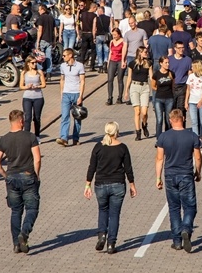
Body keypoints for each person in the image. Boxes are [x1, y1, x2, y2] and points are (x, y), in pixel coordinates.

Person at [0, 109, 41, 254]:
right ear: (21, 121)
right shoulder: (30, 137)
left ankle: (16, 244)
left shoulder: (4, 139)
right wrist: (36, 175)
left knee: (15, 211)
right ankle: (24, 233)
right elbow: (37, 159)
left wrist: (5, 175)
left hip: (12, 178)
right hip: (28, 177)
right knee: (32, 209)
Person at [84, 122, 136, 255]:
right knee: (114, 214)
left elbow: (92, 167)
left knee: (102, 210)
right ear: (117, 132)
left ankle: (102, 235)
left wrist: (87, 184)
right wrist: (132, 184)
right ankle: (111, 243)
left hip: (100, 185)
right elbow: (128, 168)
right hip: (118, 185)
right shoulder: (122, 148)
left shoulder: (98, 147)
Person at [155, 109, 202, 253]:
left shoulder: (163, 137)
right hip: (186, 175)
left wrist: (158, 177)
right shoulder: (192, 136)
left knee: (174, 208)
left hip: (170, 176)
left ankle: (176, 241)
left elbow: (159, 158)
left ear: (170, 120)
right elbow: (198, 157)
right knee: (190, 206)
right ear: (183, 119)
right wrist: (198, 172)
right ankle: (186, 228)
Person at [123, 47, 153, 141]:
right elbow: (129, 77)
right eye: (144, 52)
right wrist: (126, 90)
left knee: (144, 112)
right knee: (137, 111)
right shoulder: (132, 64)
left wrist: (155, 86)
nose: (146, 53)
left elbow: (151, 77)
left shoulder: (148, 63)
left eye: (146, 52)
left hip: (145, 87)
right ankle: (138, 132)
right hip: (134, 86)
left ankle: (144, 124)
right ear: (139, 53)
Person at [57, 49, 86, 146]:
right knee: (65, 116)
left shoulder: (79, 66)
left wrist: (81, 96)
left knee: (78, 117)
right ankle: (64, 138)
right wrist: (61, 93)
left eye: (64, 55)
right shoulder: (63, 66)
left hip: (76, 93)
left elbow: (82, 81)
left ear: (70, 55)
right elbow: (62, 80)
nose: (63, 57)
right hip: (66, 93)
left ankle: (75, 138)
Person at [20, 55, 46, 139]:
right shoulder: (24, 73)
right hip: (27, 97)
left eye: (36, 62)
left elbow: (44, 84)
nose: (35, 64)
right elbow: (21, 86)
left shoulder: (39, 72)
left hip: (38, 97)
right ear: (28, 64)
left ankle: (37, 135)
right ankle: (26, 136)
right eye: (33, 63)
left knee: (37, 118)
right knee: (27, 117)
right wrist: (27, 87)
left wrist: (37, 86)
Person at [185, 60, 202, 141]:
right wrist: (186, 101)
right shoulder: (191, 76)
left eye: (193, 67)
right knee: (194, 121)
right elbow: (188, 89)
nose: (191, 68)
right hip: (192, 101)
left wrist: (201, 101)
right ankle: (196, 138)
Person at [151, 56, 176, 136]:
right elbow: (153, 86)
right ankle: (159, 138)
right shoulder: (156, 74)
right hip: (159, 99)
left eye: (168, 62)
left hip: (169, 99)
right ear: (161, 63)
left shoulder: (171, 73)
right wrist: (159, 90)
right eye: (166, 63)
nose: (168, 64)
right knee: (159, 119)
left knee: (168, 120)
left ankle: (168, 136)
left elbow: (173, 86)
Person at [35, 4, 56, 76]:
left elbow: (40, 30)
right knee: (48, 56)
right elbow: (55, 30)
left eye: (39, 9)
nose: (38, 11)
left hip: (43, 39)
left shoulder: (41, 18)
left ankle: (40, 72)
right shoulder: (51, 18)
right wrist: (54, 40)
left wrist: (38, 41)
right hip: (50, 39)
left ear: (43, 10)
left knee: (40, 57)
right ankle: (49, 72)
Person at [106, 28, 125, 105]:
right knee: (110, 79)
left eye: (115, 35)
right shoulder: (111, 42)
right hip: (112, 61)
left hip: (120, 60)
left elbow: (124, 51)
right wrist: (108, 61)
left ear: (119, 34)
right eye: (113, 35)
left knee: (120, 79)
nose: (114, 36)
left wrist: (124, 60)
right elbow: (110, 52)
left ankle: (120, 97)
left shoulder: (123, 41)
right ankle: (110, 97)